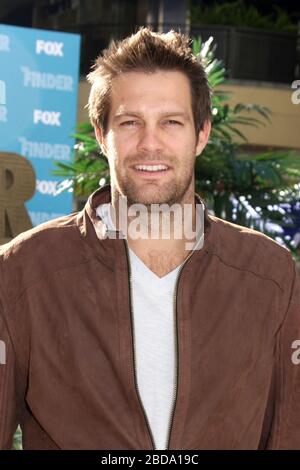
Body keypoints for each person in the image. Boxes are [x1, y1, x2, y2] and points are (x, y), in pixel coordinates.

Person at [1, 26, 300, 451]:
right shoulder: (21, 271)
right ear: (103, 137)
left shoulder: (270, 274)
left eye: (171, 122)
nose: (150, 143)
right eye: (130, 122)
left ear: (201, 134)